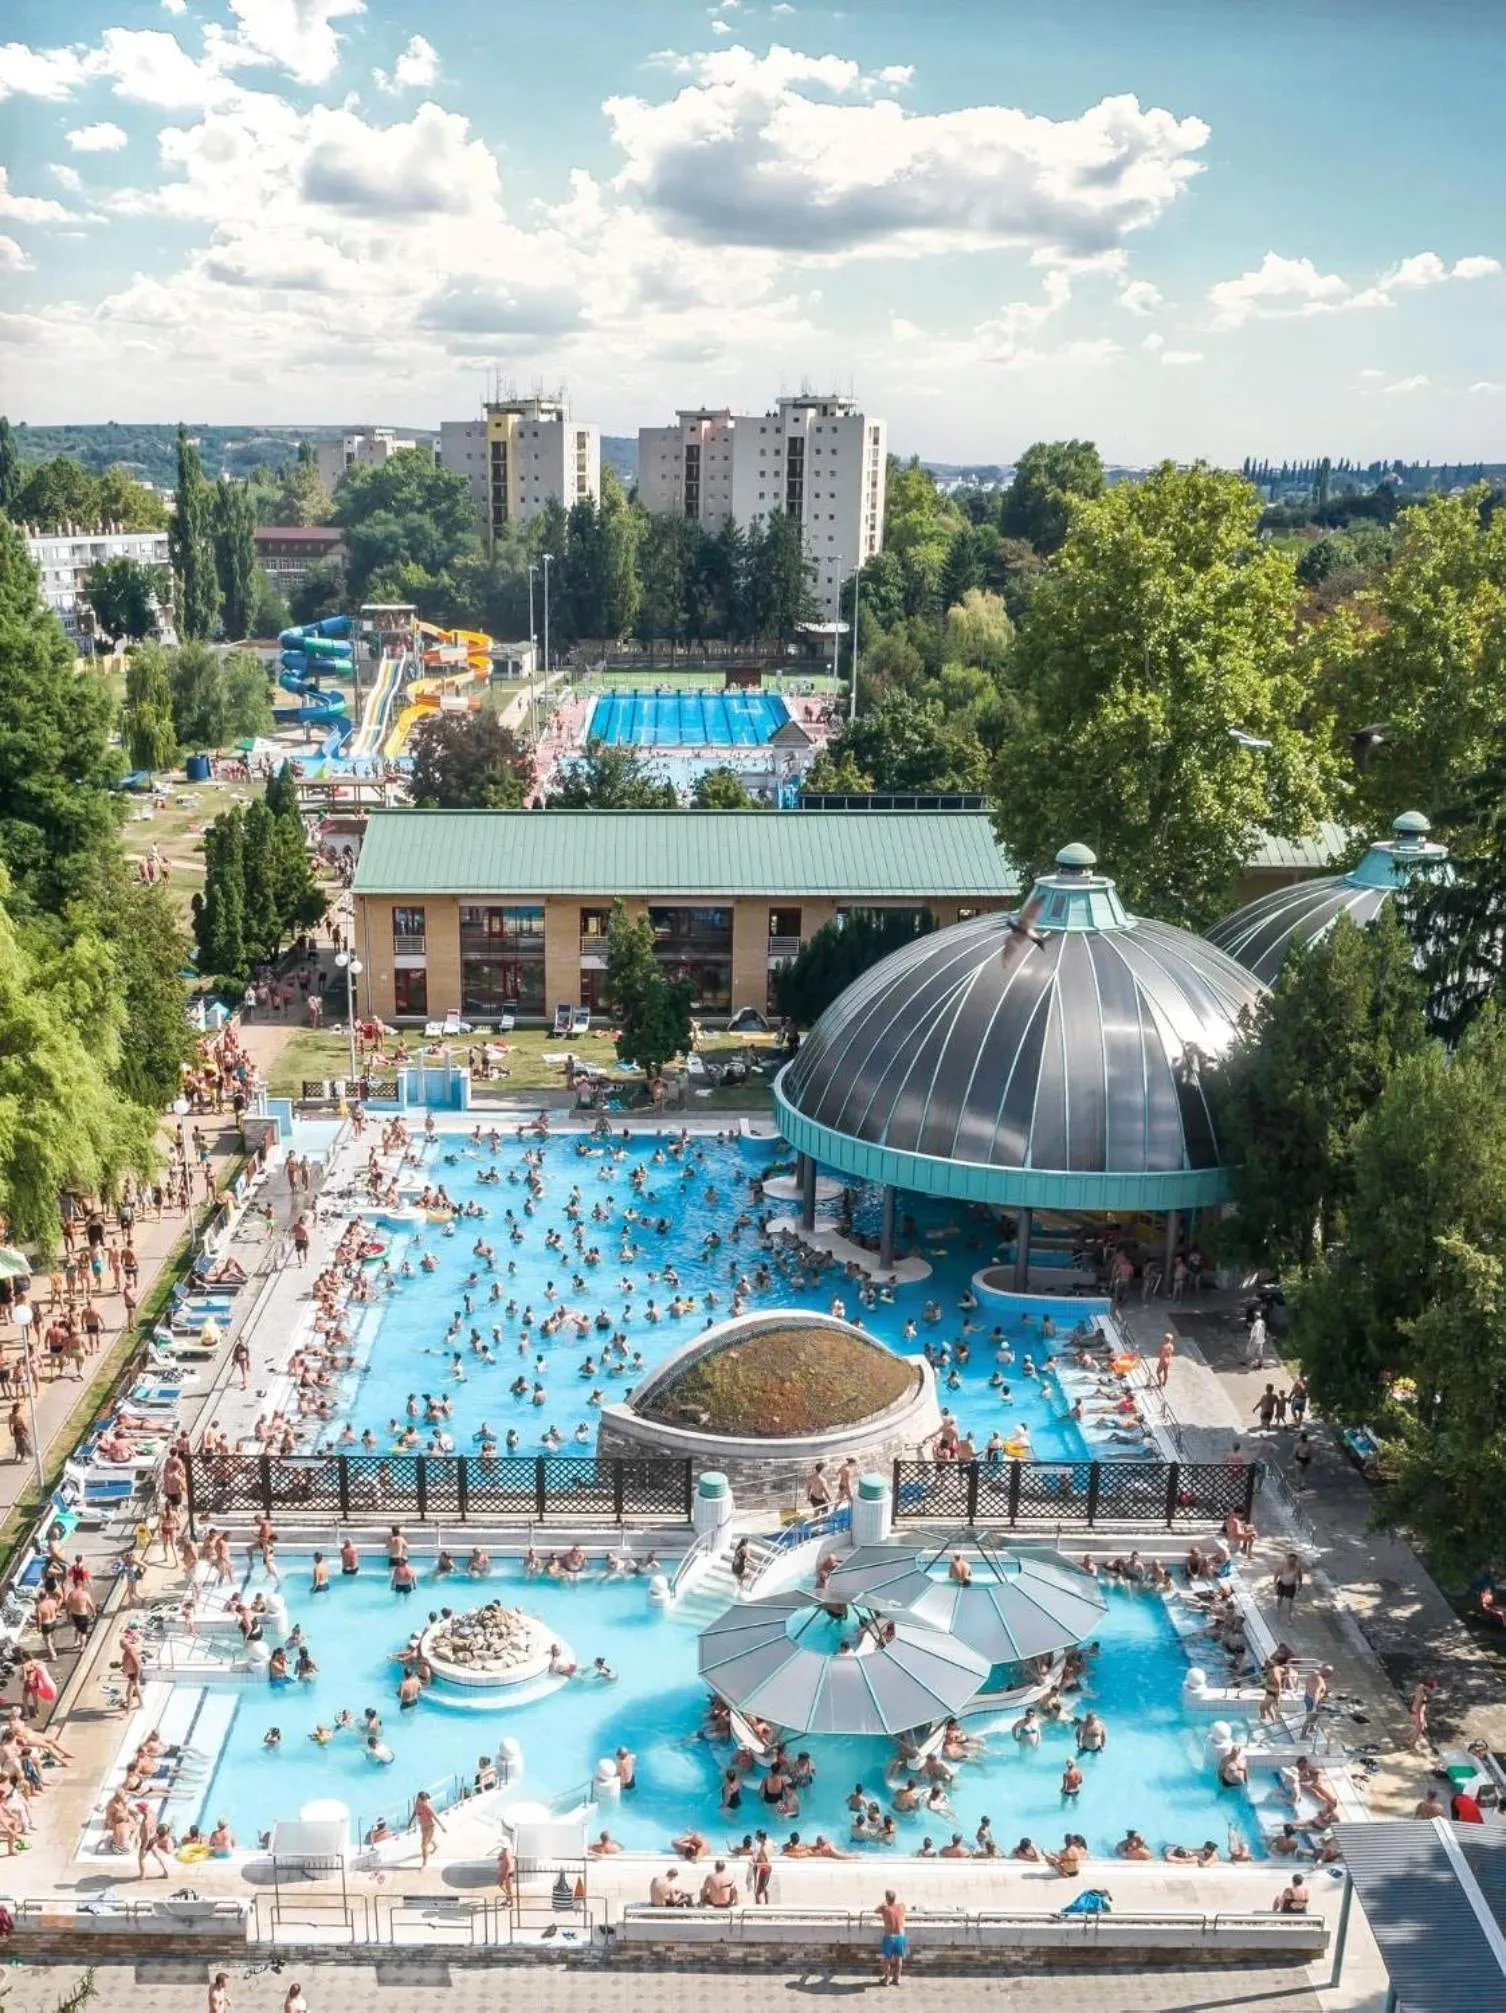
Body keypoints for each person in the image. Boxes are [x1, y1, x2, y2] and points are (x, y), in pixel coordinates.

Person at [877, 1889, 907, 1987]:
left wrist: (884, 1903)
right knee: (899, 1959)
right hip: (900, 1936)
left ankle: (886, 1980)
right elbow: (902, 1905)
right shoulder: (902, 1907)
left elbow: (876, 1910)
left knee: (887, 1959)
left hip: (889, 1937)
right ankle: (897, 1978)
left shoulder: (884, 1909)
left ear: (886, 1898)